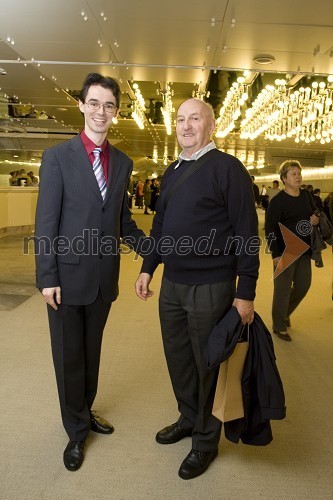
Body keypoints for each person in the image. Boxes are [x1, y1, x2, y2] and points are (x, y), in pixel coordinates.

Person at [135, 98, 259, 480]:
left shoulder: (228, 169)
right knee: (179, 359)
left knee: (208, 365)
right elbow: (159, 228)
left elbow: (246, 234)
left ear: (211, 124)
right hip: (172, 284)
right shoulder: (172, 170)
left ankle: (205, 441)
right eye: (180, 119)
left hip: (211, 285)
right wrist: (149, 267)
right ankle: (189, 417)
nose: (186, 125)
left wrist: (246, 292)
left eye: (195, 119)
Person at [34, 73, 145, 472]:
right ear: (81, 106)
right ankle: (75, 432)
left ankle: (86, 410)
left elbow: (122, 221)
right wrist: (46, 276)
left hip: (102, 280)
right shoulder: (57, 157)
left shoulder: (124, 162)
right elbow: (45, 222)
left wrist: (155, 250)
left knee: (91, 353)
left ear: (116, 112)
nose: (101, 111)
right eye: (94, 103)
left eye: (109, 105)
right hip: (63, 280)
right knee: (68, 357)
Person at [265, 160, 319, 341]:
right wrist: (275, 254)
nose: (298, 177)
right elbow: (270, 229)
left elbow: (314, 212)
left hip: (304, 249)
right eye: (293, 174)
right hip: (285, 250)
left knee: (304, 286)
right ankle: (279, 325)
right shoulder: (277, 202)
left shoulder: (306, 195)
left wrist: (315, 219)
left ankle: (283, 312)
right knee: (282, 290)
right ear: (284, 179)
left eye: (299, 173)